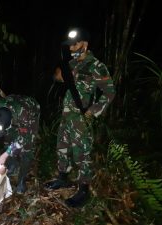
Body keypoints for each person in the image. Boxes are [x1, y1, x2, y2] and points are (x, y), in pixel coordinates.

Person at [45, 27, 116, 207]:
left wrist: (93, 111)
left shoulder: (96, 66)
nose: (70, 49)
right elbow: (57, 79)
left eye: (74, 45)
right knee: (61, 147)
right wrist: (58, 74)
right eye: (69, 46)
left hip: (81, 118)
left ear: (84, 44)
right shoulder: (71, 64)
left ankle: (84, 189)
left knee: (81, 154)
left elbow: (109, 92)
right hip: (66, 116)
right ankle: (63, 178)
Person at [0, 94, 40, 193]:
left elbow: (23, 138)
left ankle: (22, 180)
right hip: (11, 113)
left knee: (27, 148)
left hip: (31, 111)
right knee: (8, 139)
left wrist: (5, 155)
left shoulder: (24, 113)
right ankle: (12, 164)